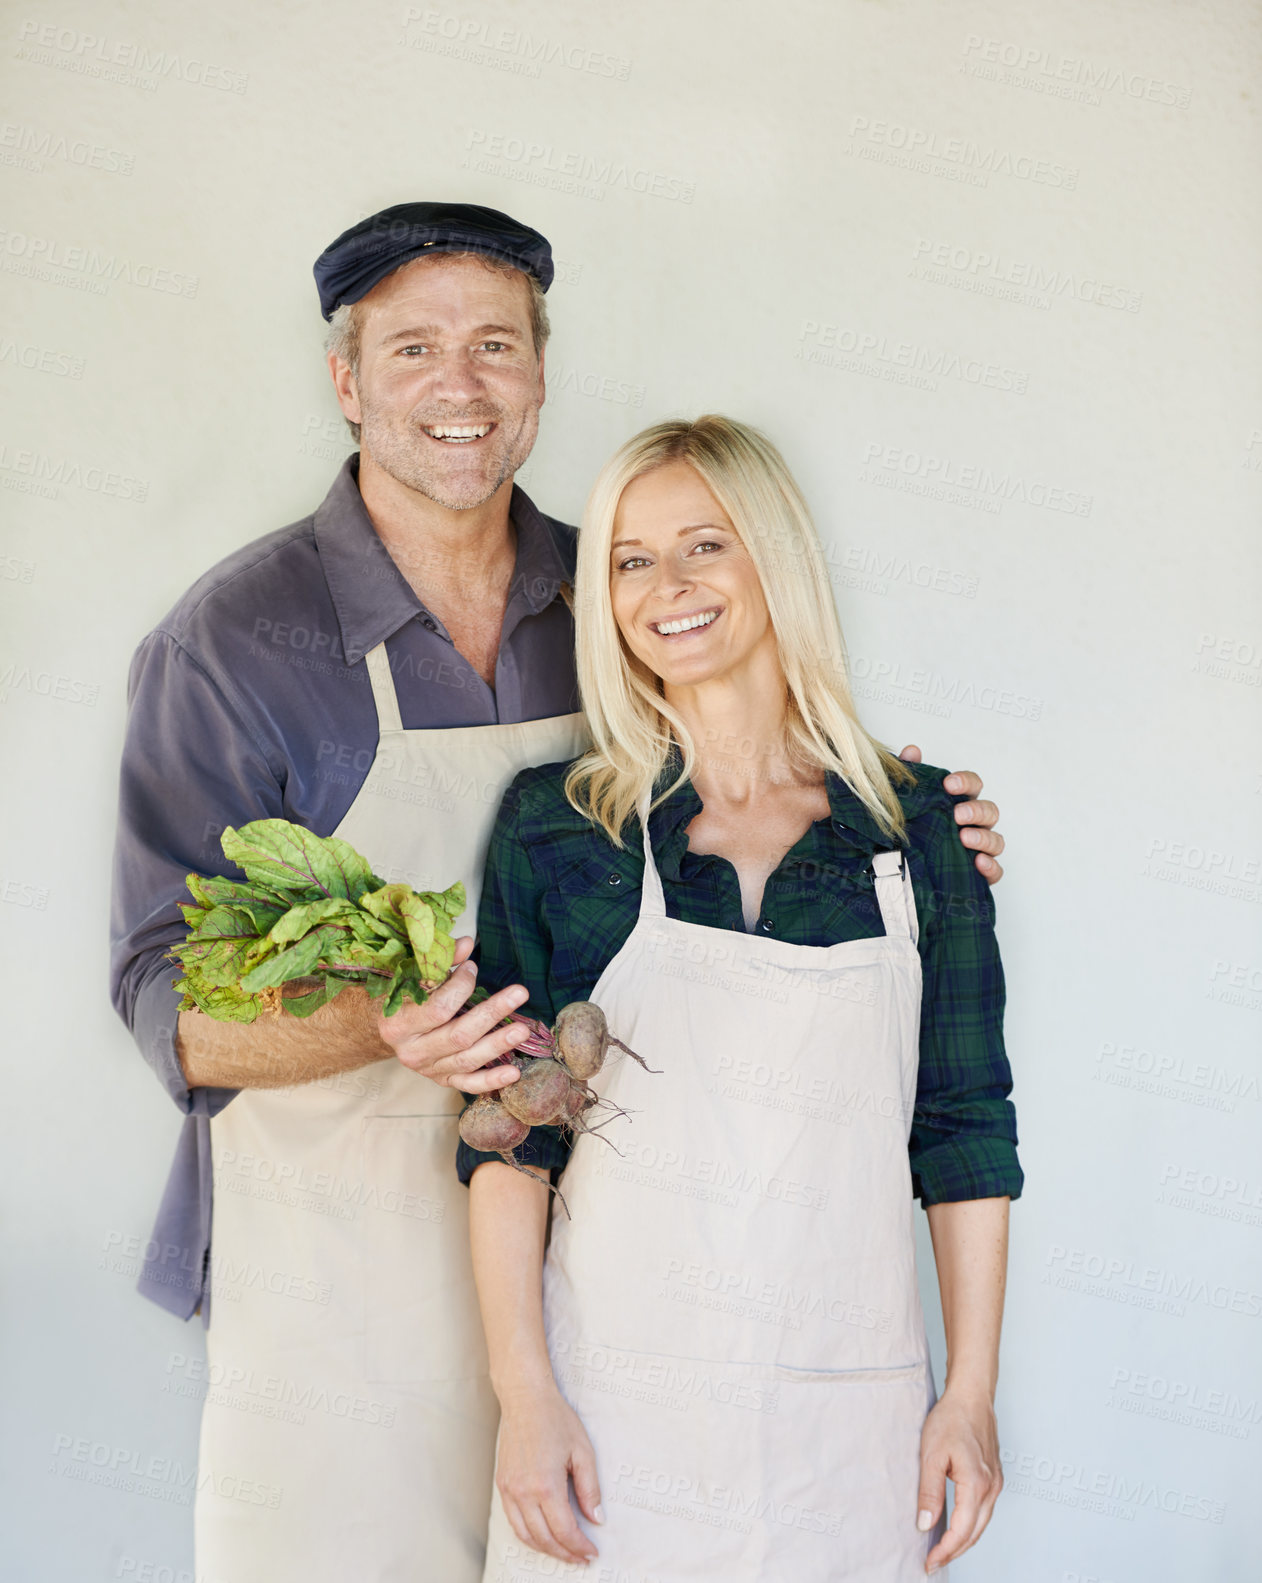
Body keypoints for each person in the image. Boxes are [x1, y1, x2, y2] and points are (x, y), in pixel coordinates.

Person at [108, 202, 1007, 1582]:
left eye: (494, 344)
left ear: (539, 371)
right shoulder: (233, 644)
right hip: (345, 1317)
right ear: (345, 381)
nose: (457, 386)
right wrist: (383, 1026)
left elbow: (750, 721)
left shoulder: (611, 589)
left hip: (608, 1310)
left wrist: (903, 820)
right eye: (411, 348)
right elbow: (164, 1002)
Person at [463, 416, 1023, 1581]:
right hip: (612, 1429)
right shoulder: (559, 825)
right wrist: (526, 1401)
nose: (665, 586)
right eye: (628, 558)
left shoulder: (918, 825)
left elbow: (964, 1130)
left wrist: (967, 1392)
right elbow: (509, 1144)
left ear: (774, 557)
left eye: (703, 545)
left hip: (846, 1423)